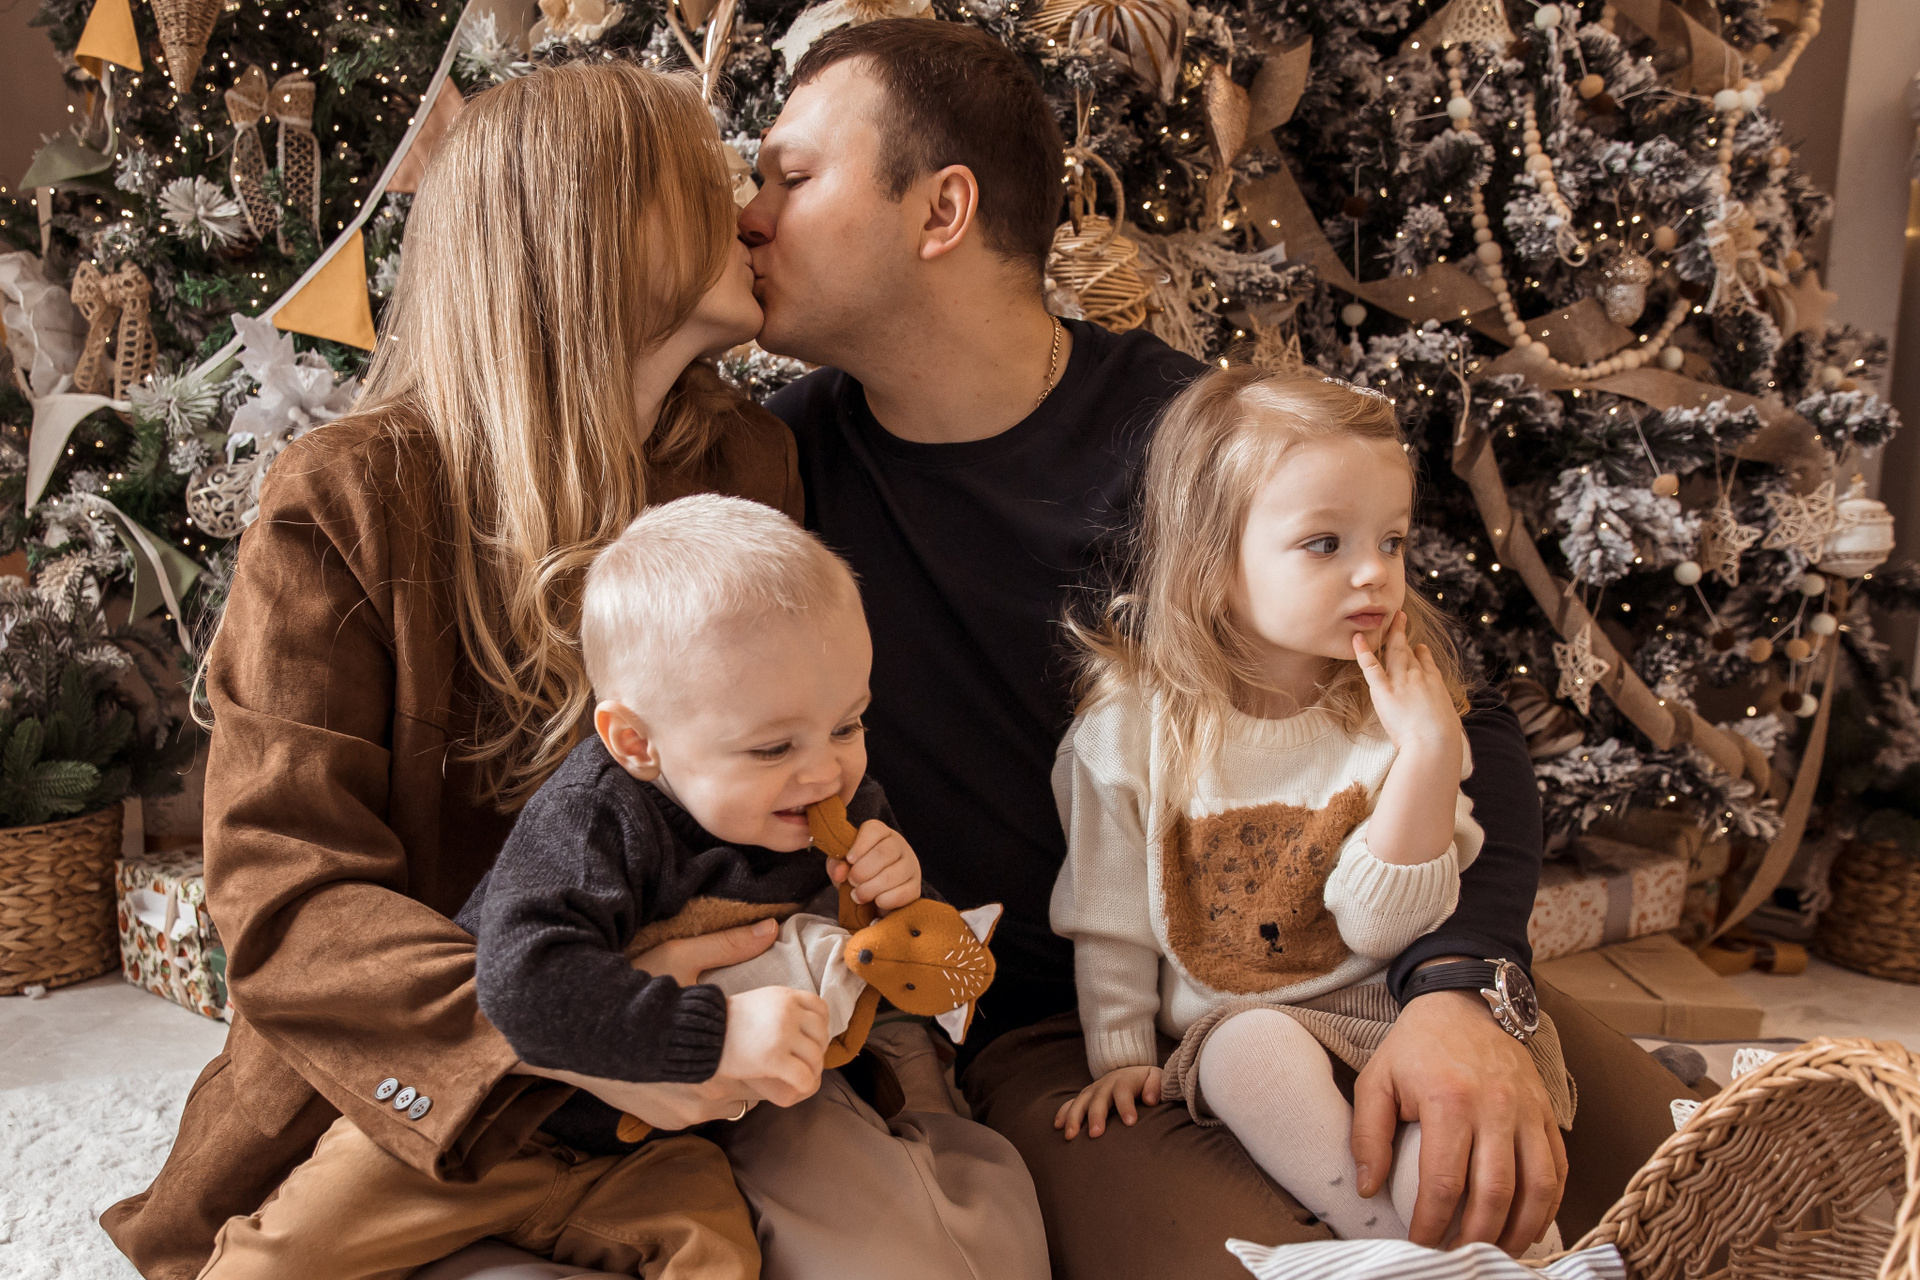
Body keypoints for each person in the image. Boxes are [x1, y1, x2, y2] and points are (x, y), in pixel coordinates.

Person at [739, 18, 1698, 1276]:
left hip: (1354, 965)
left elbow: (1465, 722)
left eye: (791, 177)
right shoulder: (772, 472)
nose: (750, 215)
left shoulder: (1204, 442)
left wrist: (1462, 986)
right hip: (1081, 1042)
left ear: (943, 210)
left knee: (1705, 1196)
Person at [103, 61, 1032, 1280]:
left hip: (711, 1061)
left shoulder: (748, 463)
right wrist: (584, 1025)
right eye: (703, 182)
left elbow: (787, 768)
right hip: (431, 1084)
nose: (747, 212)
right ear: (590, 226)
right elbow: (289, 896)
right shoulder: (347, 497)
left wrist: (837, 915)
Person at [187, 495, 1045, 1278]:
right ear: (637, 744)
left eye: (848, 724)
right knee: (284, 1258)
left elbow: (888, 950)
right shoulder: (596, 817)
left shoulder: (835, 803)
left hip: (650, 1152)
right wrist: (711, 1036)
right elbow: (522, 984)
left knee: (723, 1258)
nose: (827, 771)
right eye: (773, 747)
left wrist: (898, 888)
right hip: (495, 1127)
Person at [1048, 367, 1575, 1245]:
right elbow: (1110, 918)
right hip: (1246, 1030)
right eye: (1324, 543)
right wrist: (1123, 1056)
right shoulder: (1127, 730)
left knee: (1456, 1166)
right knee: (1247, 1050)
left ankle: (1508, 1260)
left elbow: (1379, 926)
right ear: (1213, 562)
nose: (1374, 574)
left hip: (1398, 1015)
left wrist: (1427, 754)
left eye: (1393, 541)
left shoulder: (1403, 715)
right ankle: (1382, 1245)